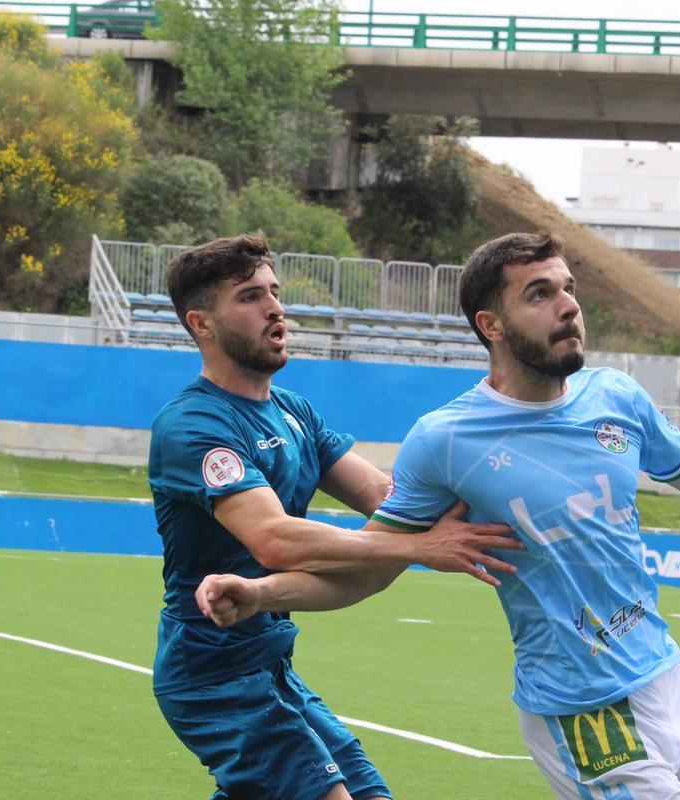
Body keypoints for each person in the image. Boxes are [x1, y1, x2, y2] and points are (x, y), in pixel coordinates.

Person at [195, 232, 680, 800]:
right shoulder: (446, 441)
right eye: (540, 295)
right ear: (491, 325)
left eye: (568, 288)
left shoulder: (617, 399)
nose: (568, 306)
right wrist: (262, 593)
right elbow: (371, 565)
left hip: (665, 677)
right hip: (580, 706)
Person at [149, 233, 521, 800]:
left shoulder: (292, 411)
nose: (275, 307)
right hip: (211, 672)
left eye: (274, 291)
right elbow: (275, 539)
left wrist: (493, 486)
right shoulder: (193, 426)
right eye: (250, 297)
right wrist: (418, 548)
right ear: (201, 324)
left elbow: (385, 494)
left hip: (268, 663)